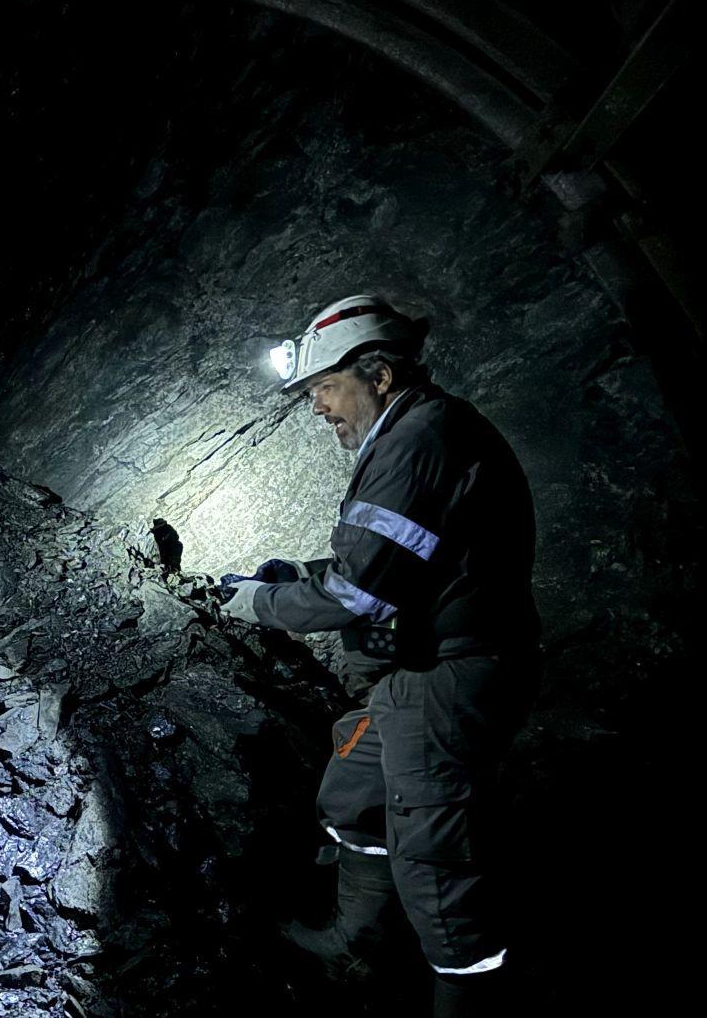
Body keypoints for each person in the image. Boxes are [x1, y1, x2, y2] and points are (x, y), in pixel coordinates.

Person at [220, 295, 540, 1016]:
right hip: (412, 676)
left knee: (434, 866)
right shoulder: (416, 432)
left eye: (326, 388)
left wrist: (255, 603)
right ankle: (357, 948)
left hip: (446, 680)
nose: (317, 407)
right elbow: (401, 562)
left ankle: (469, 997)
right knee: (352, 798)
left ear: (381, 375)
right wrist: (295, 576)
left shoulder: (419, 440)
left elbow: (359, 593)